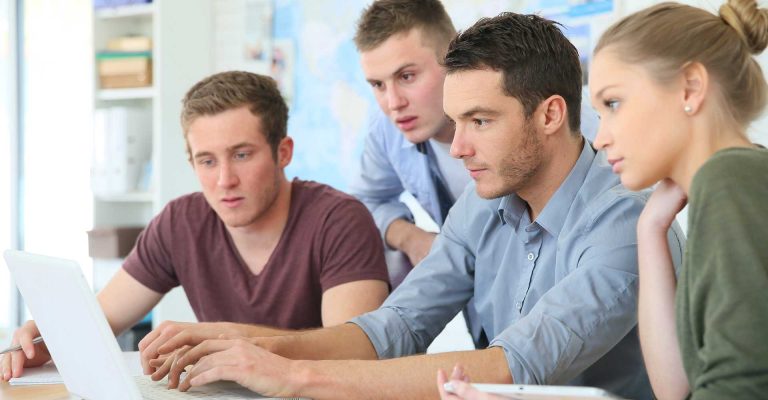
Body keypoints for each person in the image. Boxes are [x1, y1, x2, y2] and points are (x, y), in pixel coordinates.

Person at [147, 13, 684, 400]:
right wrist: (238, 342)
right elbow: (394, 329)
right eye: (458, 122)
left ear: (549, 115)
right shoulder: (481, 204)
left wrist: (295, 377)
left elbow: (513, 368)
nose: (459, 146)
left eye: (481, 121)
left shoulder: (622, 223)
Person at [0, 71, 390, 382]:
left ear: (282, 152)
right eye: (206, 161)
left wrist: (230, 336)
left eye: (241, 155)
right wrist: (49, 337)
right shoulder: (180, 222)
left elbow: (356, 350)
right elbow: (98, 320)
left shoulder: (340, 220)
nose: (224, 180)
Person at [589, 1, 768, 399]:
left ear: (690, 87)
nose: (600, 138)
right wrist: (650, 228)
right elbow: (675, 388)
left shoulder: (731, 182)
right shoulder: (729, 182)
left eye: (613, 104)